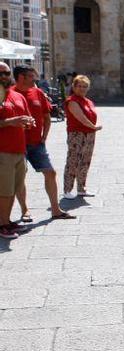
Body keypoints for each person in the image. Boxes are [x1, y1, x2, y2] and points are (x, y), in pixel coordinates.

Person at [11, 65, 74, 222]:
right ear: (21, 77)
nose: (36, 79)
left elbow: (46, 116)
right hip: (16, 144)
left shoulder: (38, 92)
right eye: (32, 76)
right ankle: (25, 210)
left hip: (37, 143)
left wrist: (44, 136)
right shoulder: (9, 94)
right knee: (20, 177)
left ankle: (55, 209)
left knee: (50, 172)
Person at [0, 62, 36, 239]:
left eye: (6, 73)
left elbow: (27, 117)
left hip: (19, 150)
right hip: (3, 151)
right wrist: (9, 122)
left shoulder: (16, 96)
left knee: (14, 189)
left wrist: (29, 122)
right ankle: (2, 224)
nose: (4, 76)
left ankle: (6, 221)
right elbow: (10, 121)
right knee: (4, 191)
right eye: (1, 73)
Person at [62, 75, 100, 200]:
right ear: (74, 86)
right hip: (76, 134)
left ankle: (81, 188)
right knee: (73, 160)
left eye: (85, 86)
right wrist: (93, 127)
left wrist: (93, 128)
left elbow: (92, 115)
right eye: (79, 86)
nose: (82, 89)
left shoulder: (88, 101)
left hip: (89, 134)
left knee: (85, 160)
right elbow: (80, 117)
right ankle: (67, 189)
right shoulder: (72, 100)